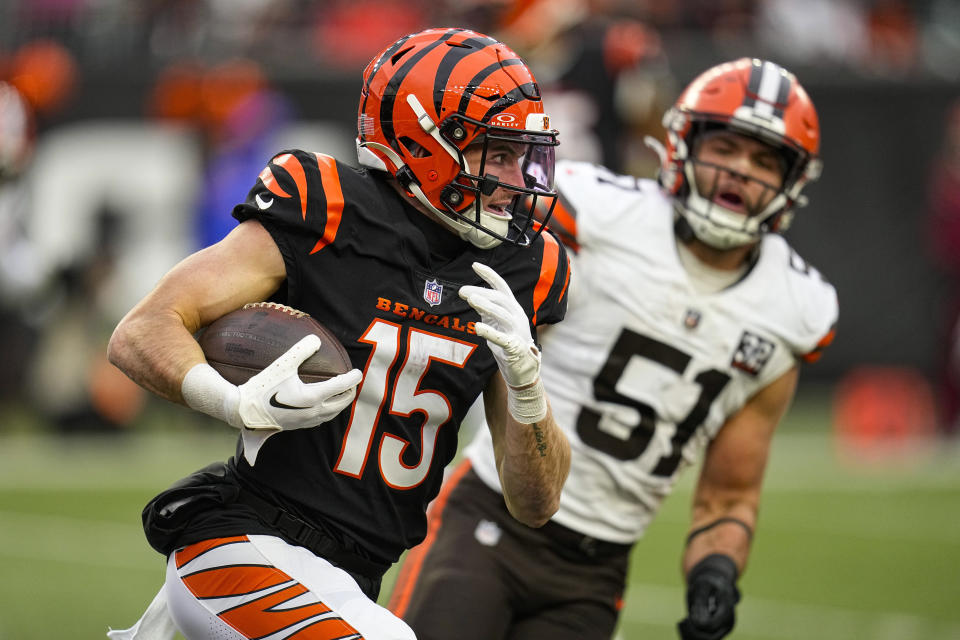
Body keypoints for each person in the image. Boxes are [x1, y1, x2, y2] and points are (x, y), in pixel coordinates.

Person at [106, 27, 572, 640]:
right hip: (241, 541)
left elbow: (535, 504)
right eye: (498, 154)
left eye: (524, 155)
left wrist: (528, 385)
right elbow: (141, 331)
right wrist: (231, 401)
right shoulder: (328, 208)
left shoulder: (526, 269)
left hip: (347, 579)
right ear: (425, 142)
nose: (518, 180)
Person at [388, 58, 839, 640]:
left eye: (764, 160)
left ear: (792, 181)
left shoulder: (794, 309)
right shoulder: (596, 212)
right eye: (726, 147)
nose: (739, 172)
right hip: (491, 517)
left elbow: (729, 494)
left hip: (598, 570)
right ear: (684, 143)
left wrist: (716, 574)